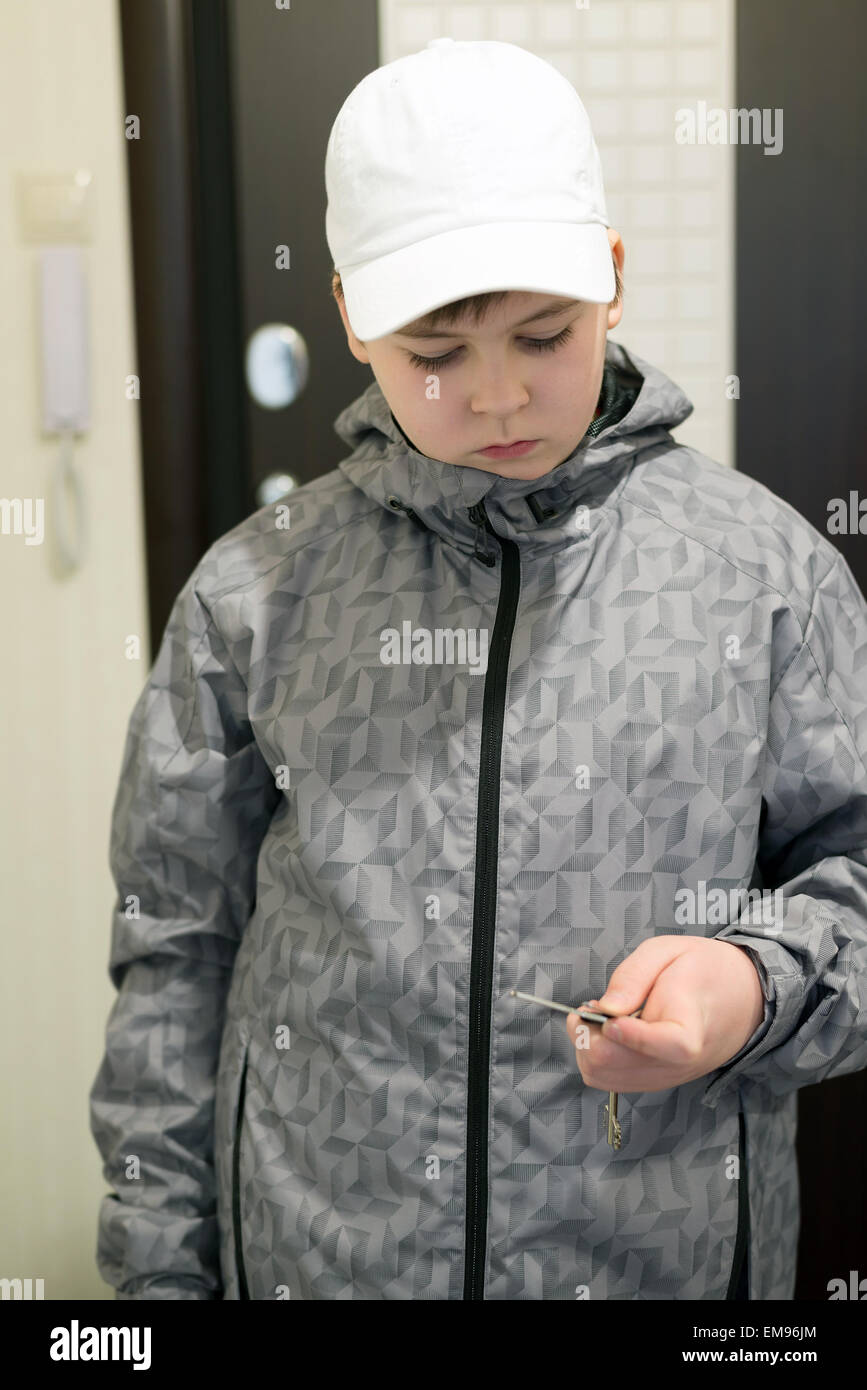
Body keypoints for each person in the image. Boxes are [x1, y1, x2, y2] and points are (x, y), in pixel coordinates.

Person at [89, 37, 867, 1301]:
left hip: (654, 1262)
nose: (497, 395)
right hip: (319, 1256)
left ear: (611, 281)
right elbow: (175, 952)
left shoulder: (764, 574)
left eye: (542, 334)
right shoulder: (253, 594)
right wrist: (153, 1284)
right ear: (350, 316)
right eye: (434, 350)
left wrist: (752, 981)